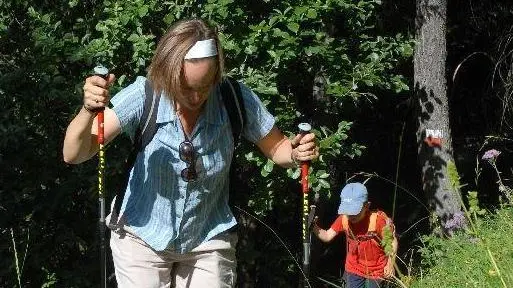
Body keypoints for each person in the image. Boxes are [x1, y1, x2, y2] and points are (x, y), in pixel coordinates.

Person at [62, 18, 319, 288]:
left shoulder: (233, 98)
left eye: (205, 86)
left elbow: (278, 148)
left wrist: (296, 153)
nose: (196, 97)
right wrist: (88, 110)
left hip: (208, 236)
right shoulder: (146, 95)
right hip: (141, 235)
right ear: (166, 72)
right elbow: (74, 154)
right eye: (186, 88)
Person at [313, 182, 398, 288]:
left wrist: (390, 262)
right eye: (348, 211)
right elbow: (327, 236)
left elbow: (392, 241)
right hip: (354, 268)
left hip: (377, 269)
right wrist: (314, 227)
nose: (351, 215)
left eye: (355, 211)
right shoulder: (344, 219)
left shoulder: (377, 221)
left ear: (367, 206)